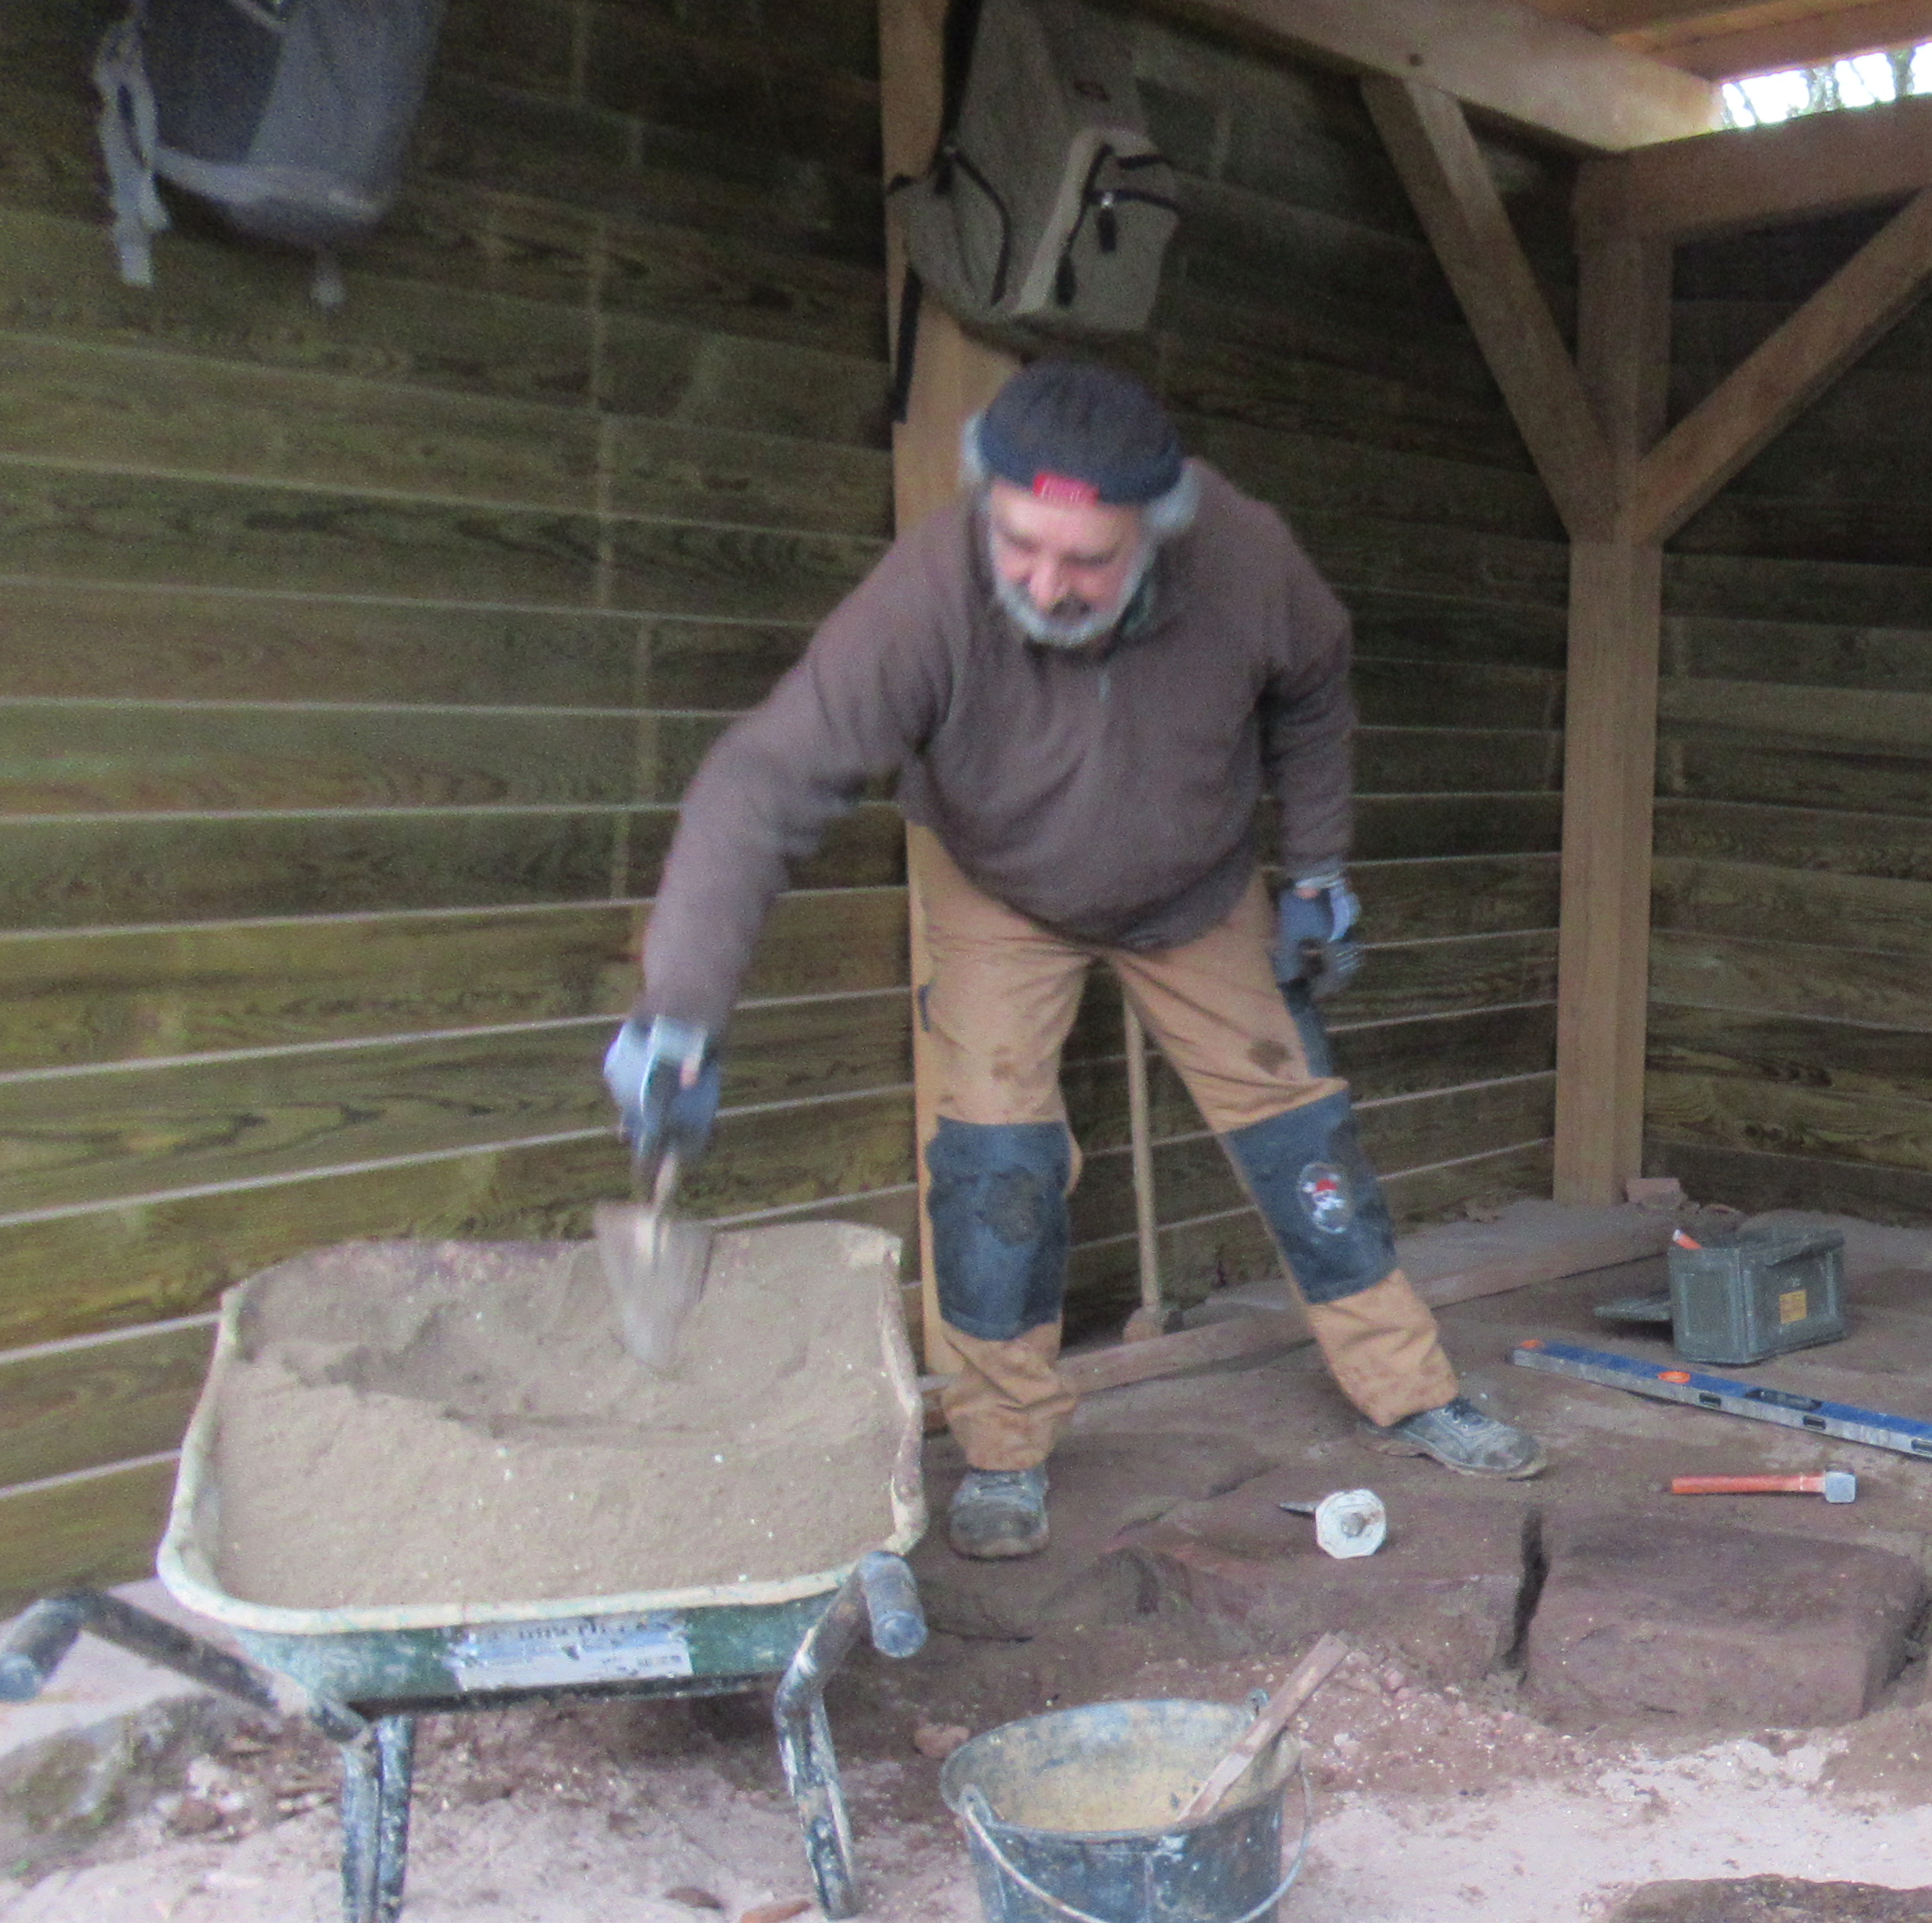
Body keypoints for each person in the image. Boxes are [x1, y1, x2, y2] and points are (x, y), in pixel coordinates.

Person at [600, 359, 1544, 1562]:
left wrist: (1317, 869)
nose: (1045, 584)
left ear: (1157, 530)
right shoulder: (927, 597)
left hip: (1197, 889)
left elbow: (1313, 690)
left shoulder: (1248, 560)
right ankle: (1004, 1451)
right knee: (995, 1162)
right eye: (1019, 544)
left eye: (1088, 559)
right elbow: (763, 781)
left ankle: (1411, 1390)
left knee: (1302, 1136)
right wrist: (681, 1008)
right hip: (1000, 885)